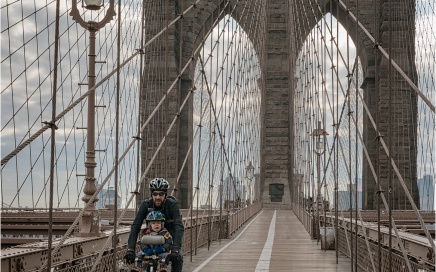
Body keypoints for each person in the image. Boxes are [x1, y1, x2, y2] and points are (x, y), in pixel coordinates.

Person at [124, 178, 184, 272]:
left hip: (169, 239)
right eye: (155, 194)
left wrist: (175, 249)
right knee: (144, 260)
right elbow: (136, 226)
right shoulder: (146, 205)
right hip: (151, 240)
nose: (157, 197)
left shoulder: (173, 205)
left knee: (178, 257)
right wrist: (130, 249)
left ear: (165, 194)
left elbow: (179, 226)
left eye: (161, 194)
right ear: (151, 194)